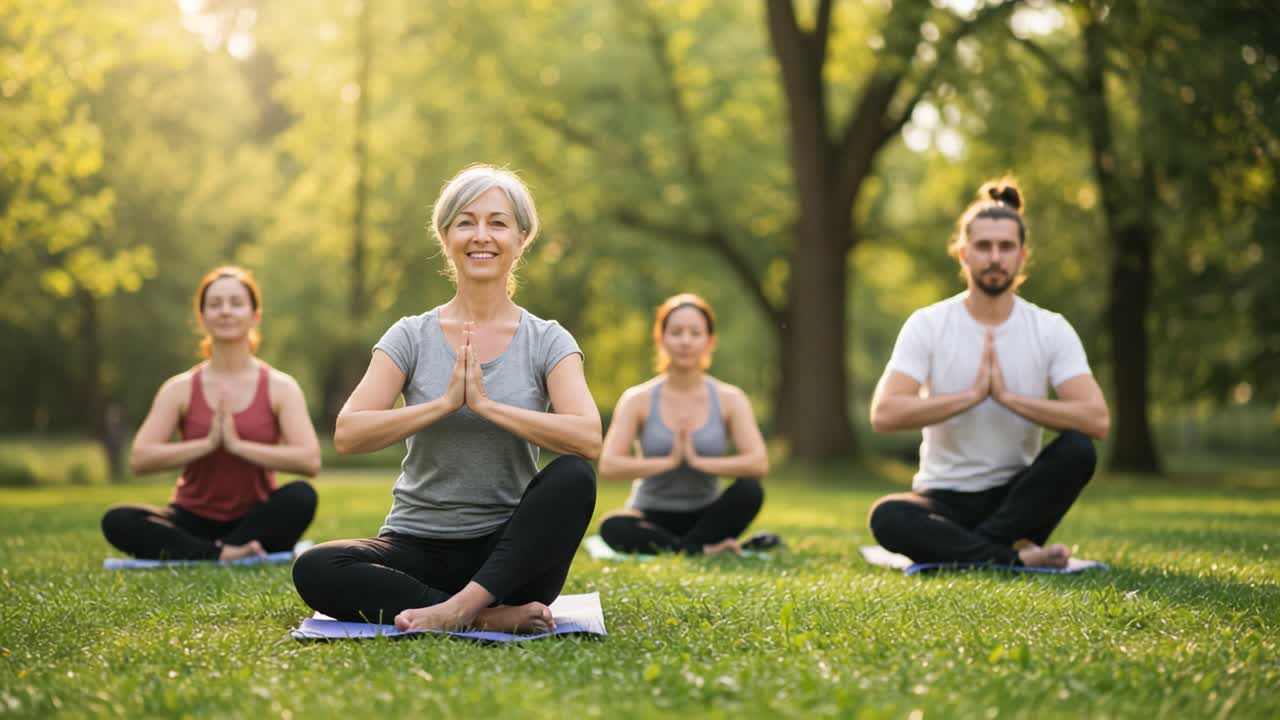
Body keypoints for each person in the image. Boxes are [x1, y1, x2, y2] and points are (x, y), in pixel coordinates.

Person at [291, 165, 601, 634]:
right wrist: (442, 405)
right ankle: (481, 617)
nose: (482, 236)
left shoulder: (547, 340)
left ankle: (460, 610)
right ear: (445, 236)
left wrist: (488, 407)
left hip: (509, 557)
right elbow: (348, 433)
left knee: (574, 476)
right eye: (466, 222)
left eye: (497, 222)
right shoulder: (410, 336)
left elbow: (588, 437)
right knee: (315, 567)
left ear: (521, 238)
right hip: (417, 545)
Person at [867, 178, 1110, 568]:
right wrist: (969, 397)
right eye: (983, 246)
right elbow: (884, 414)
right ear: (963, 254)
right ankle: (1010, 557)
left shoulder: (1050, 328)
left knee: (1078, 450)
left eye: (1005, 247)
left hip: (1017, 501)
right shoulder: (927, 324)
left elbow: (1096, 420)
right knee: (887, 517)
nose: (994, 257)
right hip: (943, 497)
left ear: (1022, 255)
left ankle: (974, 551)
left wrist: (1010, 400)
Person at [101, 266, 320, 562]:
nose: (225, 311)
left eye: (236, 303)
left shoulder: (280, 387)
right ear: (202, 317)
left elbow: (309, 460)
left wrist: (237, 446)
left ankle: (212, 551)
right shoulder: (178, 389)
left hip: (254, 518)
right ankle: (225, 552)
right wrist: (207, 444)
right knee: (118, 519)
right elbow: (140, 459)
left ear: (255, 315)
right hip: (190, 517)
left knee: (301, 497)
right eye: (215, 304)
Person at [596, 293, 774, 556]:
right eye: (676, 332)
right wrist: (669, 462)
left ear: (709, 340)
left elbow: (758, 463)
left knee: (750, 490)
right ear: (661, 338)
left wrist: (698, 463)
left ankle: (688, 546)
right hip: (650, 518)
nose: (685, 341)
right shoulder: (638, 399)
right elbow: (609, 466)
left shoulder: (730, 398)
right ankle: (703, 549)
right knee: (612, 526)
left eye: (695, 333)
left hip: (708, 517)